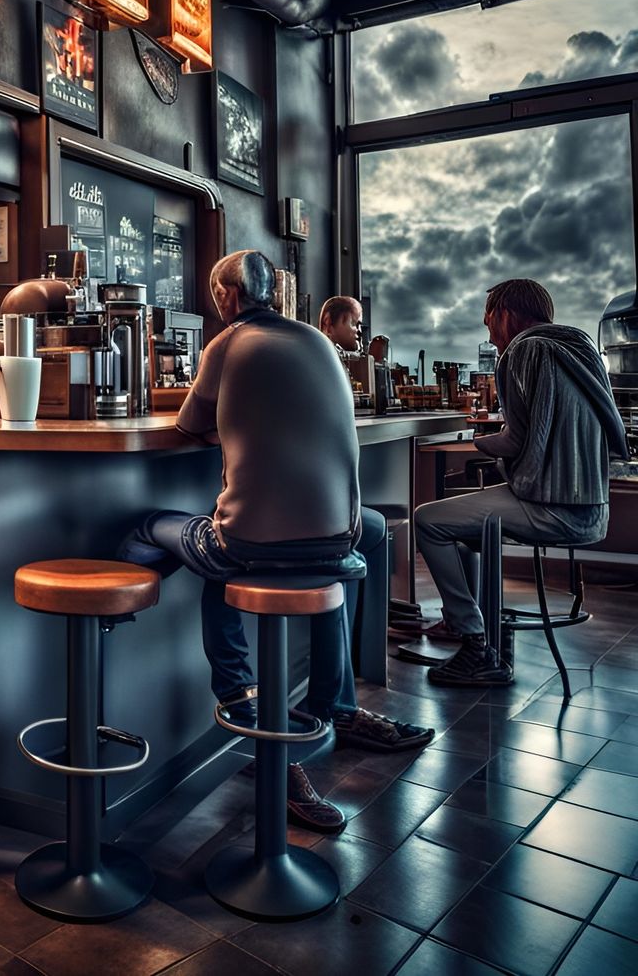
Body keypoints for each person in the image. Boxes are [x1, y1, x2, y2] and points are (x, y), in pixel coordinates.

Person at [123, 250, 432, 833]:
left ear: (227, 297)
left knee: (154, 527)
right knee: (330, 548)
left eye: (216, 295)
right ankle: (333, 709)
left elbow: (188, 426)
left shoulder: (227, 344)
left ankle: (251, 716)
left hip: (248, 548)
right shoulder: (318, 344)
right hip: (339, 545)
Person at [414, 279, 628, 686]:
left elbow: (514, 440)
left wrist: (475, 438)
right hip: (591, 507)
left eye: (489, 322)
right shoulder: (577, 347)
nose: (489, 335)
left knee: (428, 520)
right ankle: (479, 627)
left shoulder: (523, 349)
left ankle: (475, 642)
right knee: (464, 527)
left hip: (548, 504)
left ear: (506, 315)